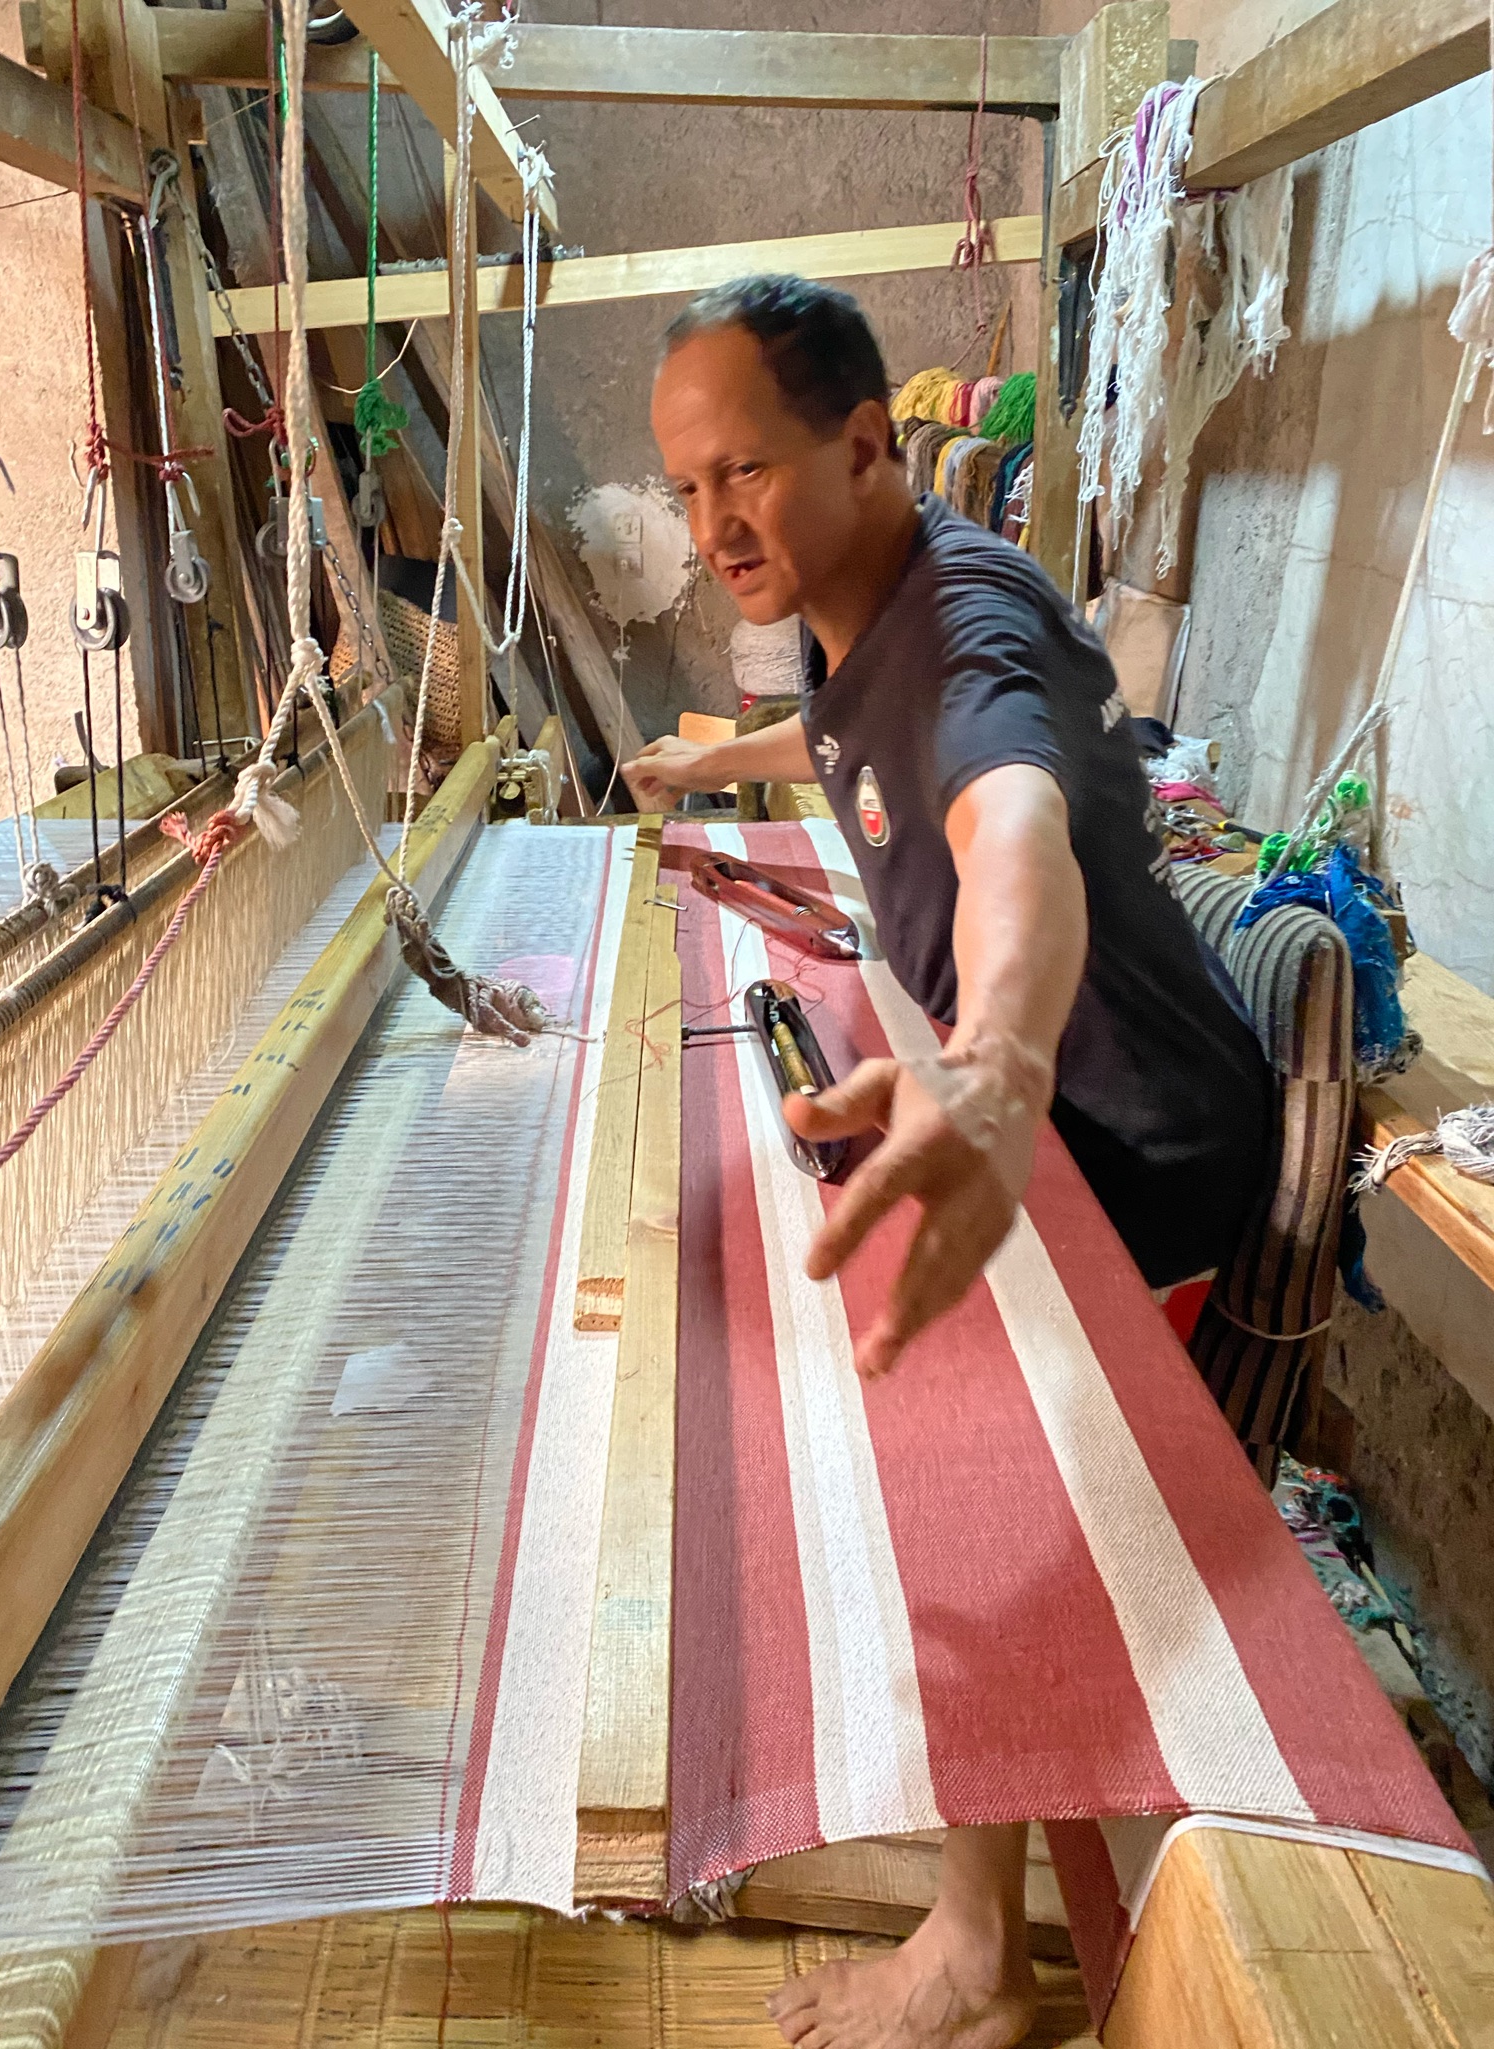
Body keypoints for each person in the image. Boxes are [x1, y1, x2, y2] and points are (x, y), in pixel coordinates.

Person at [624, 276, 1273, 2049]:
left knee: (980, 1514)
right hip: (1040, 1111)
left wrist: (990, 1067)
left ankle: (980, 1958)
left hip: (1126, 1140)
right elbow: (849, 749)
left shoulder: (968, 623)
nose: (710, 527)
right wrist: (708, 764)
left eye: (740, 473)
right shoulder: (856, 608)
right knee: (933, 1456)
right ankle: (985, 1904)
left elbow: (1015, 837)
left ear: (863, 443)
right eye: (687, 491)